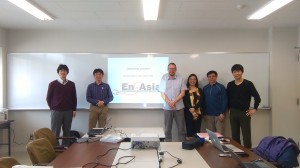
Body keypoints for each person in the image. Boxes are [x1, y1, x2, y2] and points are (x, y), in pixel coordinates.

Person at [227, 64, 261, 148]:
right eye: (234, 72)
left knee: (246, 135)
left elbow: (257, 97)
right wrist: (228, 110)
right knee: (234, 135)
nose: (237, 73)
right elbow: (228, 98)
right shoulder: (230, 84)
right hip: (233, 112)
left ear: (242, 72)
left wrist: (254, 109)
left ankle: (249, 154)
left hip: (244, 113)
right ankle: (237, 152)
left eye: (238, 71)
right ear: (232, 73)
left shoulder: (248, 84)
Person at [46, 64, 77, 147]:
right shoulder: (52, 84)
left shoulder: (71, 84)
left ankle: (65, 148)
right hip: (56, 111)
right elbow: (48, 98)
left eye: (65, 71)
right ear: (58, 72)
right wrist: (53, 108)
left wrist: (74, 109)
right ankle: (55, 148)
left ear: (67, 72)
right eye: (61, 71)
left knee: (67, 131)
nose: (63, 72)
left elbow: (74, 98)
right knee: (55, 132)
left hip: (68, 111)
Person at [159, 63, 187, 142]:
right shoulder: (163, 78)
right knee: (167, 129)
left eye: (173, 68)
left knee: (181, 129)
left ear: (176, 69)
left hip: (179, 108)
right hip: (167, 108)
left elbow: (183, 93)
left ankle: (183, 145)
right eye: (170, 68)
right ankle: (168, 147)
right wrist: (169, 103)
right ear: (168, 69)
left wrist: (173, 102)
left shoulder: (180, 78)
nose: (172, 70)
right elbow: (162, 93)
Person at [203, 70, 227, 135]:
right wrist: (204, 113)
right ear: (207, 78)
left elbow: (224, 100)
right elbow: (203, 102)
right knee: (210, 135)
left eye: (213, 76)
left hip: (219, 115)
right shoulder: (205, 88)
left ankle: (220, 146)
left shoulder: (221, 87)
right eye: (209, 76)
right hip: (208, 115)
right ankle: (211, 145)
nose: (211, 78)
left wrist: (222, 113)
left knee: (220, 134)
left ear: (216, 77)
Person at [183, 74, 203, 140]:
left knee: (197, 129)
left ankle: (196, 144)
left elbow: (201, 101)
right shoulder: (185, 90)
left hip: (198, 112)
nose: (192, 80)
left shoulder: (200, 90)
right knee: (189, 128)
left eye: (194, 79)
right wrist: (190, 108)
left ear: (196, 80)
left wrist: (194, 108)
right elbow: (185, 101)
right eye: (191, 79)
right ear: (188, 80)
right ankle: (190, 145)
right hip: (188, 112)